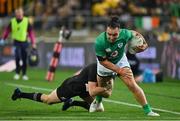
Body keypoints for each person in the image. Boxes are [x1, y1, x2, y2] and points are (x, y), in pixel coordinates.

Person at [90, 16, 160, 116]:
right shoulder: (99, 42)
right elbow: (103, 61)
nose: (111, 37)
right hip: (105, 63)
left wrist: (144, 44)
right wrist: (119, 70)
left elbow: (136, 34)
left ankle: (148, 110)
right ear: (106, 31)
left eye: (114, 35)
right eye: (109, 34)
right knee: (103, 87)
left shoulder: (125, 33)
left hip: (120, 60)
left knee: (132, 85)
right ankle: (98, 101)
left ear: (120, 31)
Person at [11, 63, 114, 111]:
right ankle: (20, 93)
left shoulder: (112, 72)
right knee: (48, 100)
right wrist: (105, 89)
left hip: (83, 88)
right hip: (72, 87)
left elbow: (108, 94)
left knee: (99, 108)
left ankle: (71, 102)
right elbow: (93, 91)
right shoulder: (95, 68)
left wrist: (106, 90)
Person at [0, 7, 37, 80]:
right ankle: (17, 73)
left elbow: (31, 33)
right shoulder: (12, 21)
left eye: (20, 12)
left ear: (22, 13)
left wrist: (33, 42)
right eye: (17, 12)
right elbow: (7, 31)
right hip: (16, 42)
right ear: (16, 14)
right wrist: (3, 39)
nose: (19, 14)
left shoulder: (26, 21)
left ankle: (24, 74)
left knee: (24, 58)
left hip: (24, 42)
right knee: (17, 56)